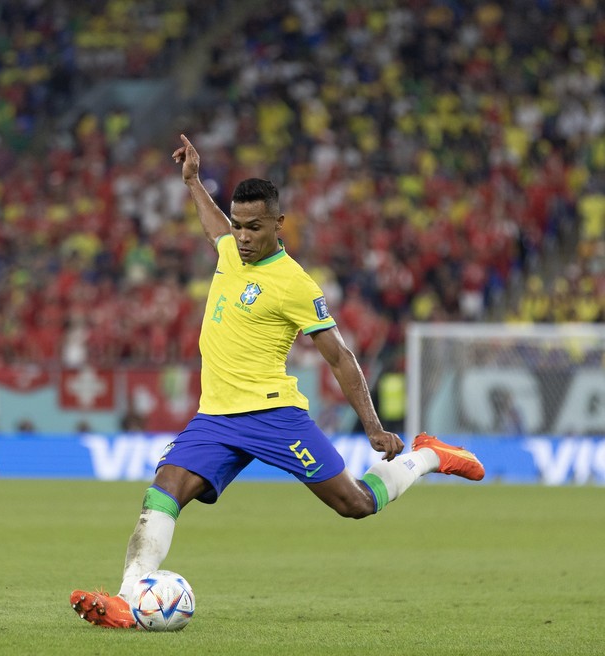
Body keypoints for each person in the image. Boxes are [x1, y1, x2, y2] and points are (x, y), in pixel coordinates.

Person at [70, 135, 485, 628]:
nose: (243, 237)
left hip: (272, 415)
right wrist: (193, 182)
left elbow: (339, 356)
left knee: (355, 504)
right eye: (238, 226)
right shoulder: (229, 251)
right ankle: (126, 600)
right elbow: (214, 230)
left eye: (254, 228)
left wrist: (373, 425)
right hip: (216, 417)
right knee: (163, 491)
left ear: (278, 225)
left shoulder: (294, 283)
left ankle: (430, 454)